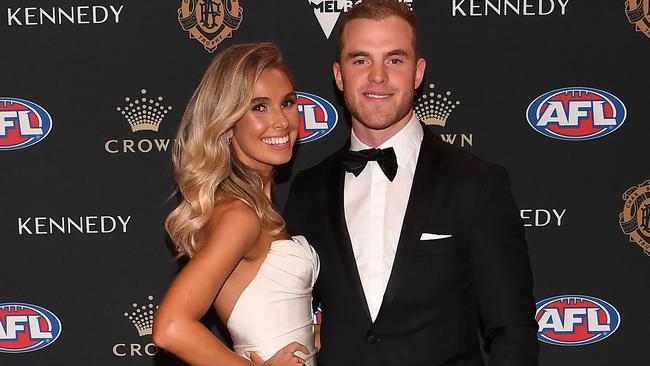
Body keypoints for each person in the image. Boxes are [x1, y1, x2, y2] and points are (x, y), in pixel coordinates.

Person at [284, 1, 539, 365]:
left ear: (418, 73)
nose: (377, 76)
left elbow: (512, 331)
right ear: (339, 76)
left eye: (394, 60)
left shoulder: (476, 184)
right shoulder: (308, 191)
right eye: (361, 60)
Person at [153, 42, 319, 366]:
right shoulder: (239, 216)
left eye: (287, 103)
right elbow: (171, 327)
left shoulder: (258, 206)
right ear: (228, 124)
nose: (282, 121)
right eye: (259, 107)